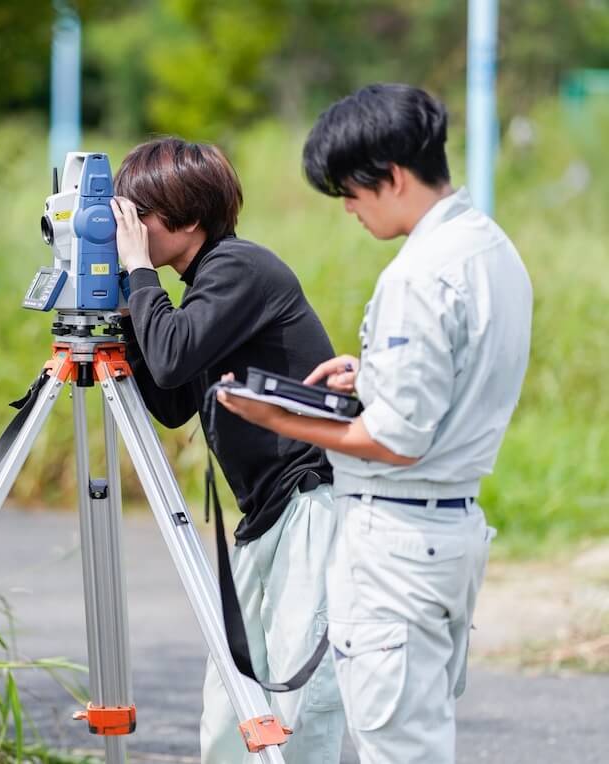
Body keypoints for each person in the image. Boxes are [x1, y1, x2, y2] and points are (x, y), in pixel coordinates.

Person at [218, 83, 532, 763]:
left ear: (389, 177)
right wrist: (376, 377)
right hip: (451, 533)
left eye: (350, 193)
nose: (350, 211)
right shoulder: (490, 249)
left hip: (396, 543)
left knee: (397, 748)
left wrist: (276, 416)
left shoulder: (416, 276)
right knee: (421, 737)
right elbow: (464, 373)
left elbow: (393, 439)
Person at [110, 137, 345, 764]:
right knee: (230, 703)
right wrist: (128, 309)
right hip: (266, 515)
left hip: (311, 506)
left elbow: (173, 354)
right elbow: (171, 399)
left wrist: (136, 275)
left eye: (137, 215)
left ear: (186, 219)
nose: (126, 230)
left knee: (299, 702)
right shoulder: (202, 287)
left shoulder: (239, 268)